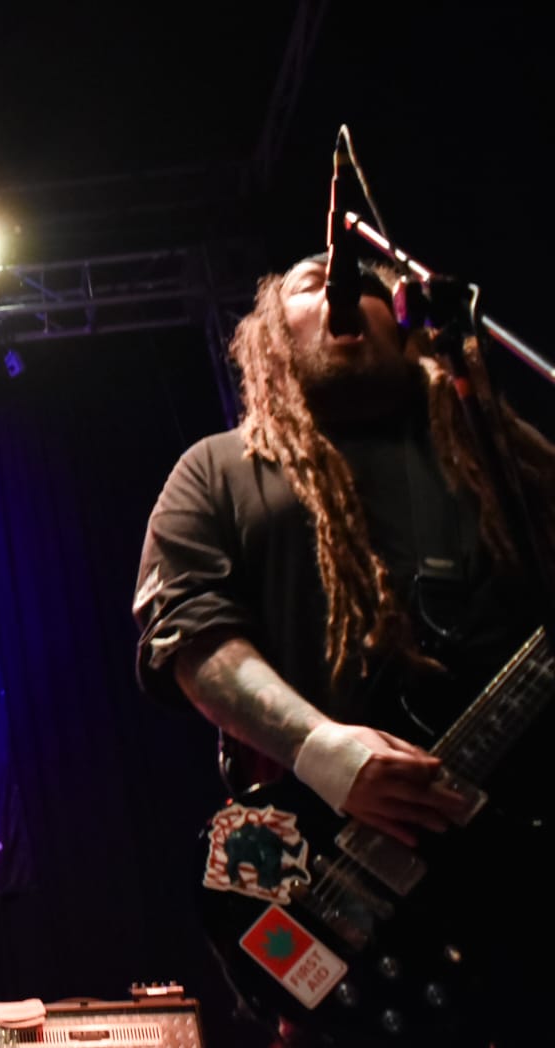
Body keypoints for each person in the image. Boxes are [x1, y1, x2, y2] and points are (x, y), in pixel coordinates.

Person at [133, 251, 554, 1047]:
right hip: (343, 893)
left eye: (363, 283)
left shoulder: (501, 454)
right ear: (268, 337)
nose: (341, 287)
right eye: (310, 284)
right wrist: (325, 752)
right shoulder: (220, 471)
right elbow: (189, 637)